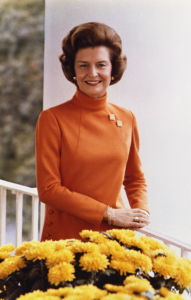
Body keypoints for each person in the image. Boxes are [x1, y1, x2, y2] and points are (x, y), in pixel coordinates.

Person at [36, 22, 150, 242]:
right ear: (73, 70)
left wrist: (141, 211)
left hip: (114, 241)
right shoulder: (52, 119)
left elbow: (134, 178)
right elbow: (49, 189)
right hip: (66, 241)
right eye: (83, 65)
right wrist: (109, 214)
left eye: (101, 65)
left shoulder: (127, 118)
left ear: (113, 69)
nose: (93, 73)